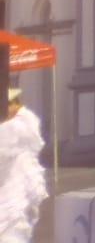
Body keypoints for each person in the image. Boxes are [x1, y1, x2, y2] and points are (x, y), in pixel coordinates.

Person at [0, 89, 47, 243]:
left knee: (13, 231)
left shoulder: (18, 124)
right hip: (14, 190)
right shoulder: (24, 120)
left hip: (15, 193)